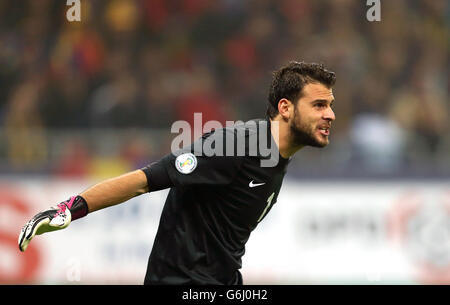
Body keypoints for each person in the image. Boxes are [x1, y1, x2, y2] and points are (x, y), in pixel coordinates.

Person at [18, 61, 336, 285]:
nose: (330, 114)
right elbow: (147, 179)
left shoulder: (277, 158)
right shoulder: (236, 144)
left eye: (330, 105)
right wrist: (72, 208)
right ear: (285, 108)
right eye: (319, 105)